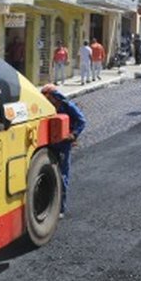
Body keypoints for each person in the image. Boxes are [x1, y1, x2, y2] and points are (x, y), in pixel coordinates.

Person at [41, 84, 86, 217]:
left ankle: (60, 208)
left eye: (48, 96)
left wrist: (73, 135)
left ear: (54, 96)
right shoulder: (46, 107)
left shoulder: (68, 106)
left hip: (63, 146)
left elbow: (82, 121)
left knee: (62, 176)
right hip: (49, 144)